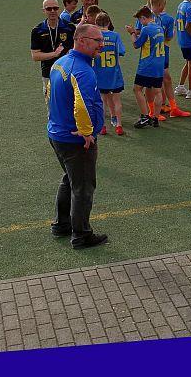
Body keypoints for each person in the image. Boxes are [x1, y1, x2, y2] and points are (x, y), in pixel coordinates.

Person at [47, 23, 108, 250]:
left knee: (69, 179)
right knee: (83, 187)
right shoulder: (83, 70)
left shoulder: (60, 63)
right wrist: (87, 132)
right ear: (81, 40)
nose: (101, 45)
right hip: (76, 140)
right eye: (97, 41)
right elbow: (83, 106)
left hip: (57, 134)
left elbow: (48, 94)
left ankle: (61, 224)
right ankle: (81, 235)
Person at [149, 0, 190, 119]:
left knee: (166, 79)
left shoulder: (145, 16)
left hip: (158, 53)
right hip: (157, 53)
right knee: (153, 82)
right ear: (161, 5)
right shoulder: (167, 19)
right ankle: (153, 112)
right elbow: (169, 37)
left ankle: (172, 108)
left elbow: (139, 33)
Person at [126, 6, 165, 128]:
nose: (140, 23)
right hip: (159, 64)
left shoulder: (146, 29)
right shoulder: (159, 28)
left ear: (143, 18)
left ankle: (144, 117)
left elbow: (136, 44)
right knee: (157, 91)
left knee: (137, 89)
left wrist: (132, 33)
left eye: (139, 20)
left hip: (147, 65)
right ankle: (155, 118)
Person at [31, 0, 75, 104]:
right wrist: (54, 54)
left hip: (67, 71)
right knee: (51, 104)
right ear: (44, 10)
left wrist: (70, 53)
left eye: (55, 8)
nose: (52, 11)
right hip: (48, 72)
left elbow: (76, 49)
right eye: (49, 9)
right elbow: (35, 56)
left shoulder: (70, 27)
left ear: (59, 9)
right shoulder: (37, 30)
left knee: (69, 102)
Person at [92, 12, 126, 136]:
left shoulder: (95, 37)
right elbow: (122, 51)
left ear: (96, 23)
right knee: (117, 100)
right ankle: (119, 125)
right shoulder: (115, 36)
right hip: (114, 73)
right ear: (108, 23)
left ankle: (102, 126)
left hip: (100, 73)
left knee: (102, 101)